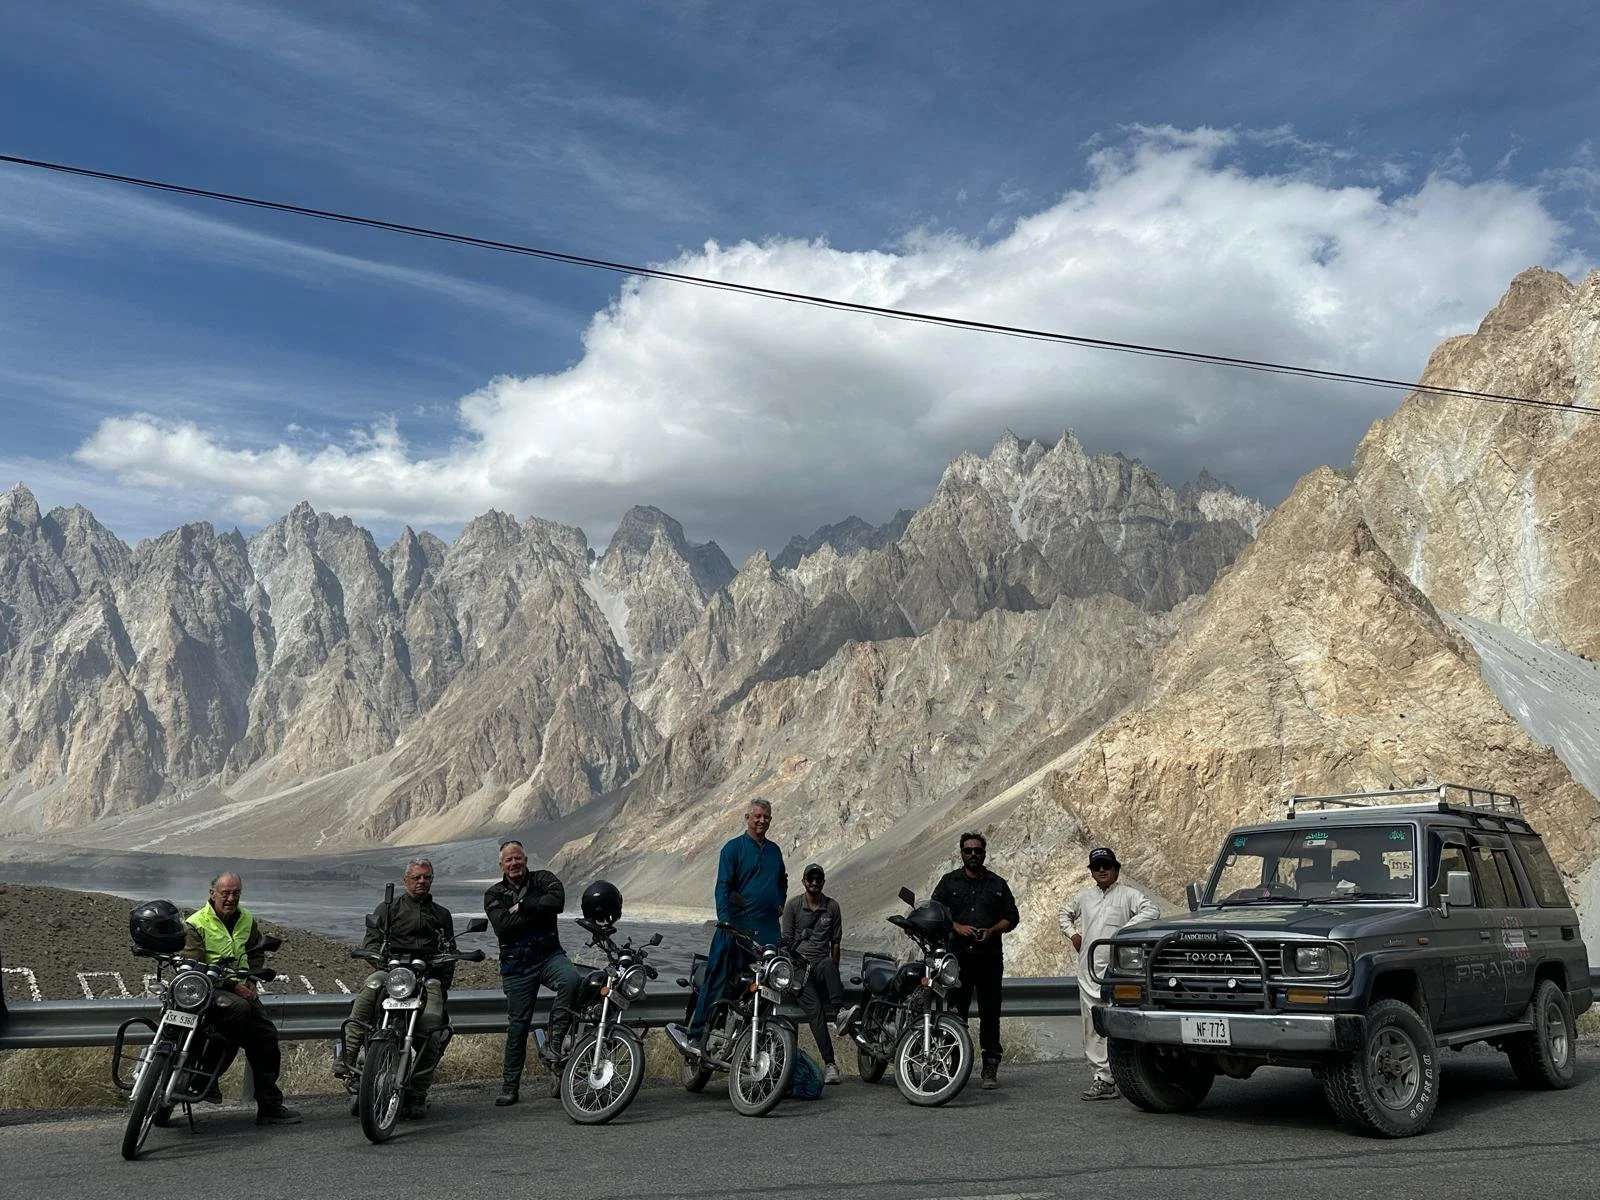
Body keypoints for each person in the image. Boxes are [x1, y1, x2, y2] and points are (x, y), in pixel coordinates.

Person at [341, 859, 458, 1119]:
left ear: (432, 880)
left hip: (427, 978)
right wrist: (381, 960)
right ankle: (348, 1056)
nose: (421, 882)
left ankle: (417, 1093)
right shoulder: (388, 909)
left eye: (426, 877)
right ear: (406, 880)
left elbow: (450, 953)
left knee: (434, 1029)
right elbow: (371, 943)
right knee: (371, 986)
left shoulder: (442, 914)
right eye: (416, 877)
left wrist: (441, 982)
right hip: (392, 974)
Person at [181, 872, 300, 1124]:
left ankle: (269, 1106)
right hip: (209, 989)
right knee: (238, 1010)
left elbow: (255, 952)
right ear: (212, 894)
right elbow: (193, 965)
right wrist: (233, 986)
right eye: (225, 893)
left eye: (236, 893)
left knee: (266, 1038)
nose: (231, 898)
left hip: (241, 988)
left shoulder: (247, 919)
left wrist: (251, 979)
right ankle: (206, 1076)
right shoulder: (196, 923)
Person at [674, 798, 787, 1055]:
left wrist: (779, 901)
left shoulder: (775, 851)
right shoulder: (732, 849)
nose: (762, 821)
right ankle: (696, 1035)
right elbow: (723, 887)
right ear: (747, 818)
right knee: (717, 978)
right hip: (735, 929)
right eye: (757, 816)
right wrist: (725, 920)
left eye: (766, 817)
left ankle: (755, 1042)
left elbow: (782, 879)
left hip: (768, 931)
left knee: (769, 986)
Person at [483, 839, 582, 1106]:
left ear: (525, 860)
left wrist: (524, 906)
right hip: (517, 966)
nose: (514, 863)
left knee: (571, 980)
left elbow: (558, 901)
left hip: (549, 955)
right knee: (518, 1026)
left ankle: (555, 1041)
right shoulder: (493, 894)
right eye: (508, 860)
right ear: (501, 865)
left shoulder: (545, 878)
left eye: (518, 858)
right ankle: (509, 1086)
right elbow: (503, 927)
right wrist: (538, 909)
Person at [1058, 846, 1160, 1100]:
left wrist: (1124, 933)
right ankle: (1102, 1079)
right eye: (1097, 867)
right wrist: (1073, 935)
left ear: (1116, 869)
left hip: (1119, 973)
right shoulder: (1084, 897)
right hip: (1089, 971)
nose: (1102, 870)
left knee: (1119, 1023)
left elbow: (1152, 911)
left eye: (1106, 866)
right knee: (1092, 1026)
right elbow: (1064, 914)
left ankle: (1129, 1075)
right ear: (1091, 871)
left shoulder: (1128, 895)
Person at [932, 831, 1020, 1090]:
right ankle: (952, 1066)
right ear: (961, 853)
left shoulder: (997, 884)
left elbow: (1012, 916)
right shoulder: (949, 883)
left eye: (977, 850)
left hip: (990, 959)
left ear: (984, 853)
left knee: (990, 1014)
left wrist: (992, 931)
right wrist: (957, 927)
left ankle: (990, 1067)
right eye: (968, 850)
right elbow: (936, 912)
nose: (973, 854)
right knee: (955, 1014)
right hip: (957, 961)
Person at [782, 862, 845, 1085]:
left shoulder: (833, 907)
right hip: (799, 971)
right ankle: (830, 1064)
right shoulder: (793, 906)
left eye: (818, 879)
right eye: (811, 879)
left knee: (829, 963)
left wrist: (833, 978)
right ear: (804, 881)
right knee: (815, 1011)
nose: (815, 883)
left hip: (820, 967)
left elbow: (836, 943)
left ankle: (840, 1013)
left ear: (823, 882)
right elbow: (786, 942)